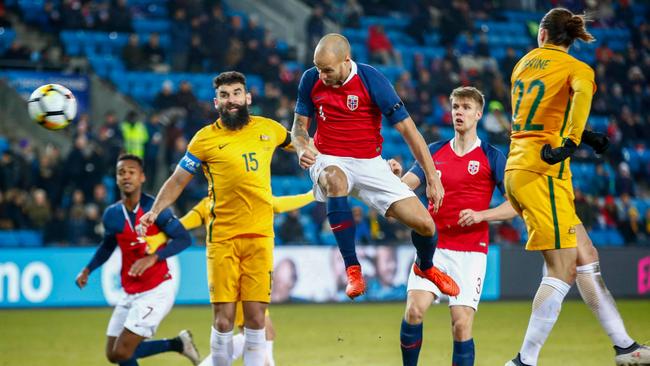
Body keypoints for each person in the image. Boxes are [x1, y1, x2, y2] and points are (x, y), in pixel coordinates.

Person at [503, 8, 650, 366]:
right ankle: (524, 361)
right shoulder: (577, 69)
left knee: (586, 259)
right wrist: (572, 141)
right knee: (563, 269)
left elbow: (541, 115)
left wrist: (585, 136)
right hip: (544, 171)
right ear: (570, 38)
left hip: (519, 165)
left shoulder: (522, 64)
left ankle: (625, 347)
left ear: (542, 35)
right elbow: (580, 101)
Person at [139, 71, 296, 366]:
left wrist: (326, 163)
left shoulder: (270, 129)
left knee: (256, 319)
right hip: (222, 240)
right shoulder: (204, 139)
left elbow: (302, 145)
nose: (232, 100)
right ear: (216, 102)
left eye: (237, 93)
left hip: (260, 238)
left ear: (247, 97)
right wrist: (155, 210)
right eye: (225, 95)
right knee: (223, 322)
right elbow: (177, 180)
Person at [291, 33, 458, 300]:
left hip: (370, 163)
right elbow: (299, 127)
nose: (321, 75)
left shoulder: (372, 80)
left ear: (347, 60)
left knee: (426, 225)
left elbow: (409, 130)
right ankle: (353, 269)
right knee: (334, 180)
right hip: (329, 157)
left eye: (328, 70)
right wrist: (301, 147)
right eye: (319, 68)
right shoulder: (310, 79)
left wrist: (432, 178)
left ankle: (425, 267)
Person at [397, 87, 516, 366]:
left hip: (471, 251)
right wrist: (393, 177)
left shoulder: (492, 156)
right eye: (455, 107)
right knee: (414, 310)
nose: (459, 112)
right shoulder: (434, 151)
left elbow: (515, 206)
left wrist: (481, 215)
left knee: (461, 325)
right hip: (433, 249)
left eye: (465, 107)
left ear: (478, 114)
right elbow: (404, 189)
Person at [145, 190, 315, 366]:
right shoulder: (213, 202)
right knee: (256, 332)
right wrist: (160, 237)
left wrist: (312, 195)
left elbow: (279, 204)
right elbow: (186, 223)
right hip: (236, 272)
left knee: (265, 332)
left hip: (250, 270)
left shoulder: (247, 195)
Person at [74, 154, 200, 366]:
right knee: (114, 354)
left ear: (142, 177)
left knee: (123, 352)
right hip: (131, 290)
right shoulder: (112, 214)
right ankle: (178, 344)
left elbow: (184, 238)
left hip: (156, 290)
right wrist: (88, 269)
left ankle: (178, 344)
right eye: (121, 172)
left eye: (131, 172)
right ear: (116, 178)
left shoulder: (155, 210)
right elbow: (107, 245)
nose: (126, 176)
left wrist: (154, 257)